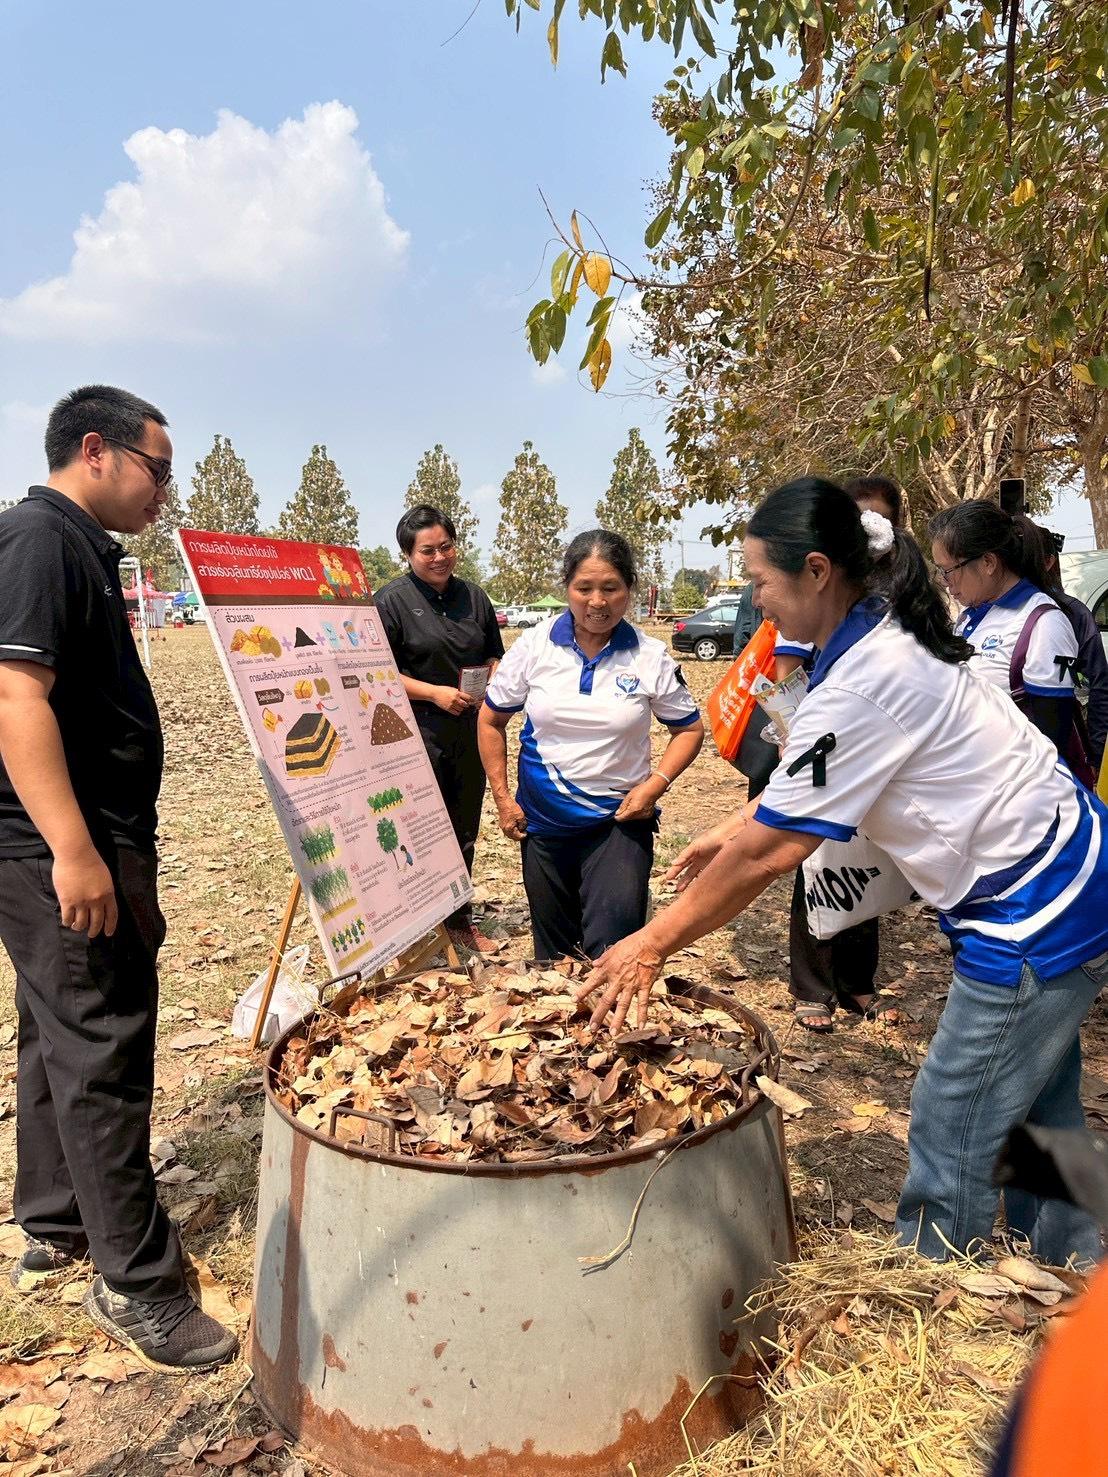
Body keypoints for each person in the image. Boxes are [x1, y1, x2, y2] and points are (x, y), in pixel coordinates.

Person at [576, 477, 1108, 1266]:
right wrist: (731, 823)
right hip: (1068, 861)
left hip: (1036, 902)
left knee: (951, 1107)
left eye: (760, 580)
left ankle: (934, 1279)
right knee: (1038, 1095)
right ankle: (1077, 1253)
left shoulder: (865, 677)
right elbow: (810, 784)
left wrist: (650, 943)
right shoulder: (877, 630)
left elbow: (772, 849)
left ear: (817, 570)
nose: (756, 600)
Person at [0, 386, 237, 1370]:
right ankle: (135, 1282)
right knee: (101, 1039)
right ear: (96, 450)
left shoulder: (72, 544)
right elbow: (14, 694)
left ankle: (55, 1219)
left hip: (74, 841)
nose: (166, 489)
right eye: (159, 466)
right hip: (60, 844)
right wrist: (75, 850)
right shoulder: (39, 541)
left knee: (57, 1025)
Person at [478, 530, 704, 961]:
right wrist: (504, 799)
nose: (596, 602)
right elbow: (490, 720)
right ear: (567, 587)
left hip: (619, 821)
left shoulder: (650, 656)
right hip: (543, 823)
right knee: (553, 957)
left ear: (629, 590)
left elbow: (689, 730)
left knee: (615, 950)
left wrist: (655, 785)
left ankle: (609, 1030)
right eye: (584, 588)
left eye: (610, 588)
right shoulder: (533, 647)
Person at [374, 505, 505, 951]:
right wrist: (433, 693)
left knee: (463, 824)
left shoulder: (475, 597)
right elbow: (376, 672)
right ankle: (412, 919)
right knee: (417, 826)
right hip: (414, 732)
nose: (439, 557)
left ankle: (457, 918)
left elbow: (493, 652)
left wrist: (492, 676)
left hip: (471, 729)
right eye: (426, 550)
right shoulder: (391, 601)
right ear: (408, 555)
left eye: (445, 546)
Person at [929, 501, 1081, 757]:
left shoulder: (1043, 623)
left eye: (949, 571)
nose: (946, 583)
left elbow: (1052, 738)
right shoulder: (969, 615)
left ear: (988, 562)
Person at [1035, 523, 1108, 771]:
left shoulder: (1070, 613)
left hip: (1065, 752)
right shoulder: (984, 613)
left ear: (1048, 562)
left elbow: (1097, 684)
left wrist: (1094, 753)